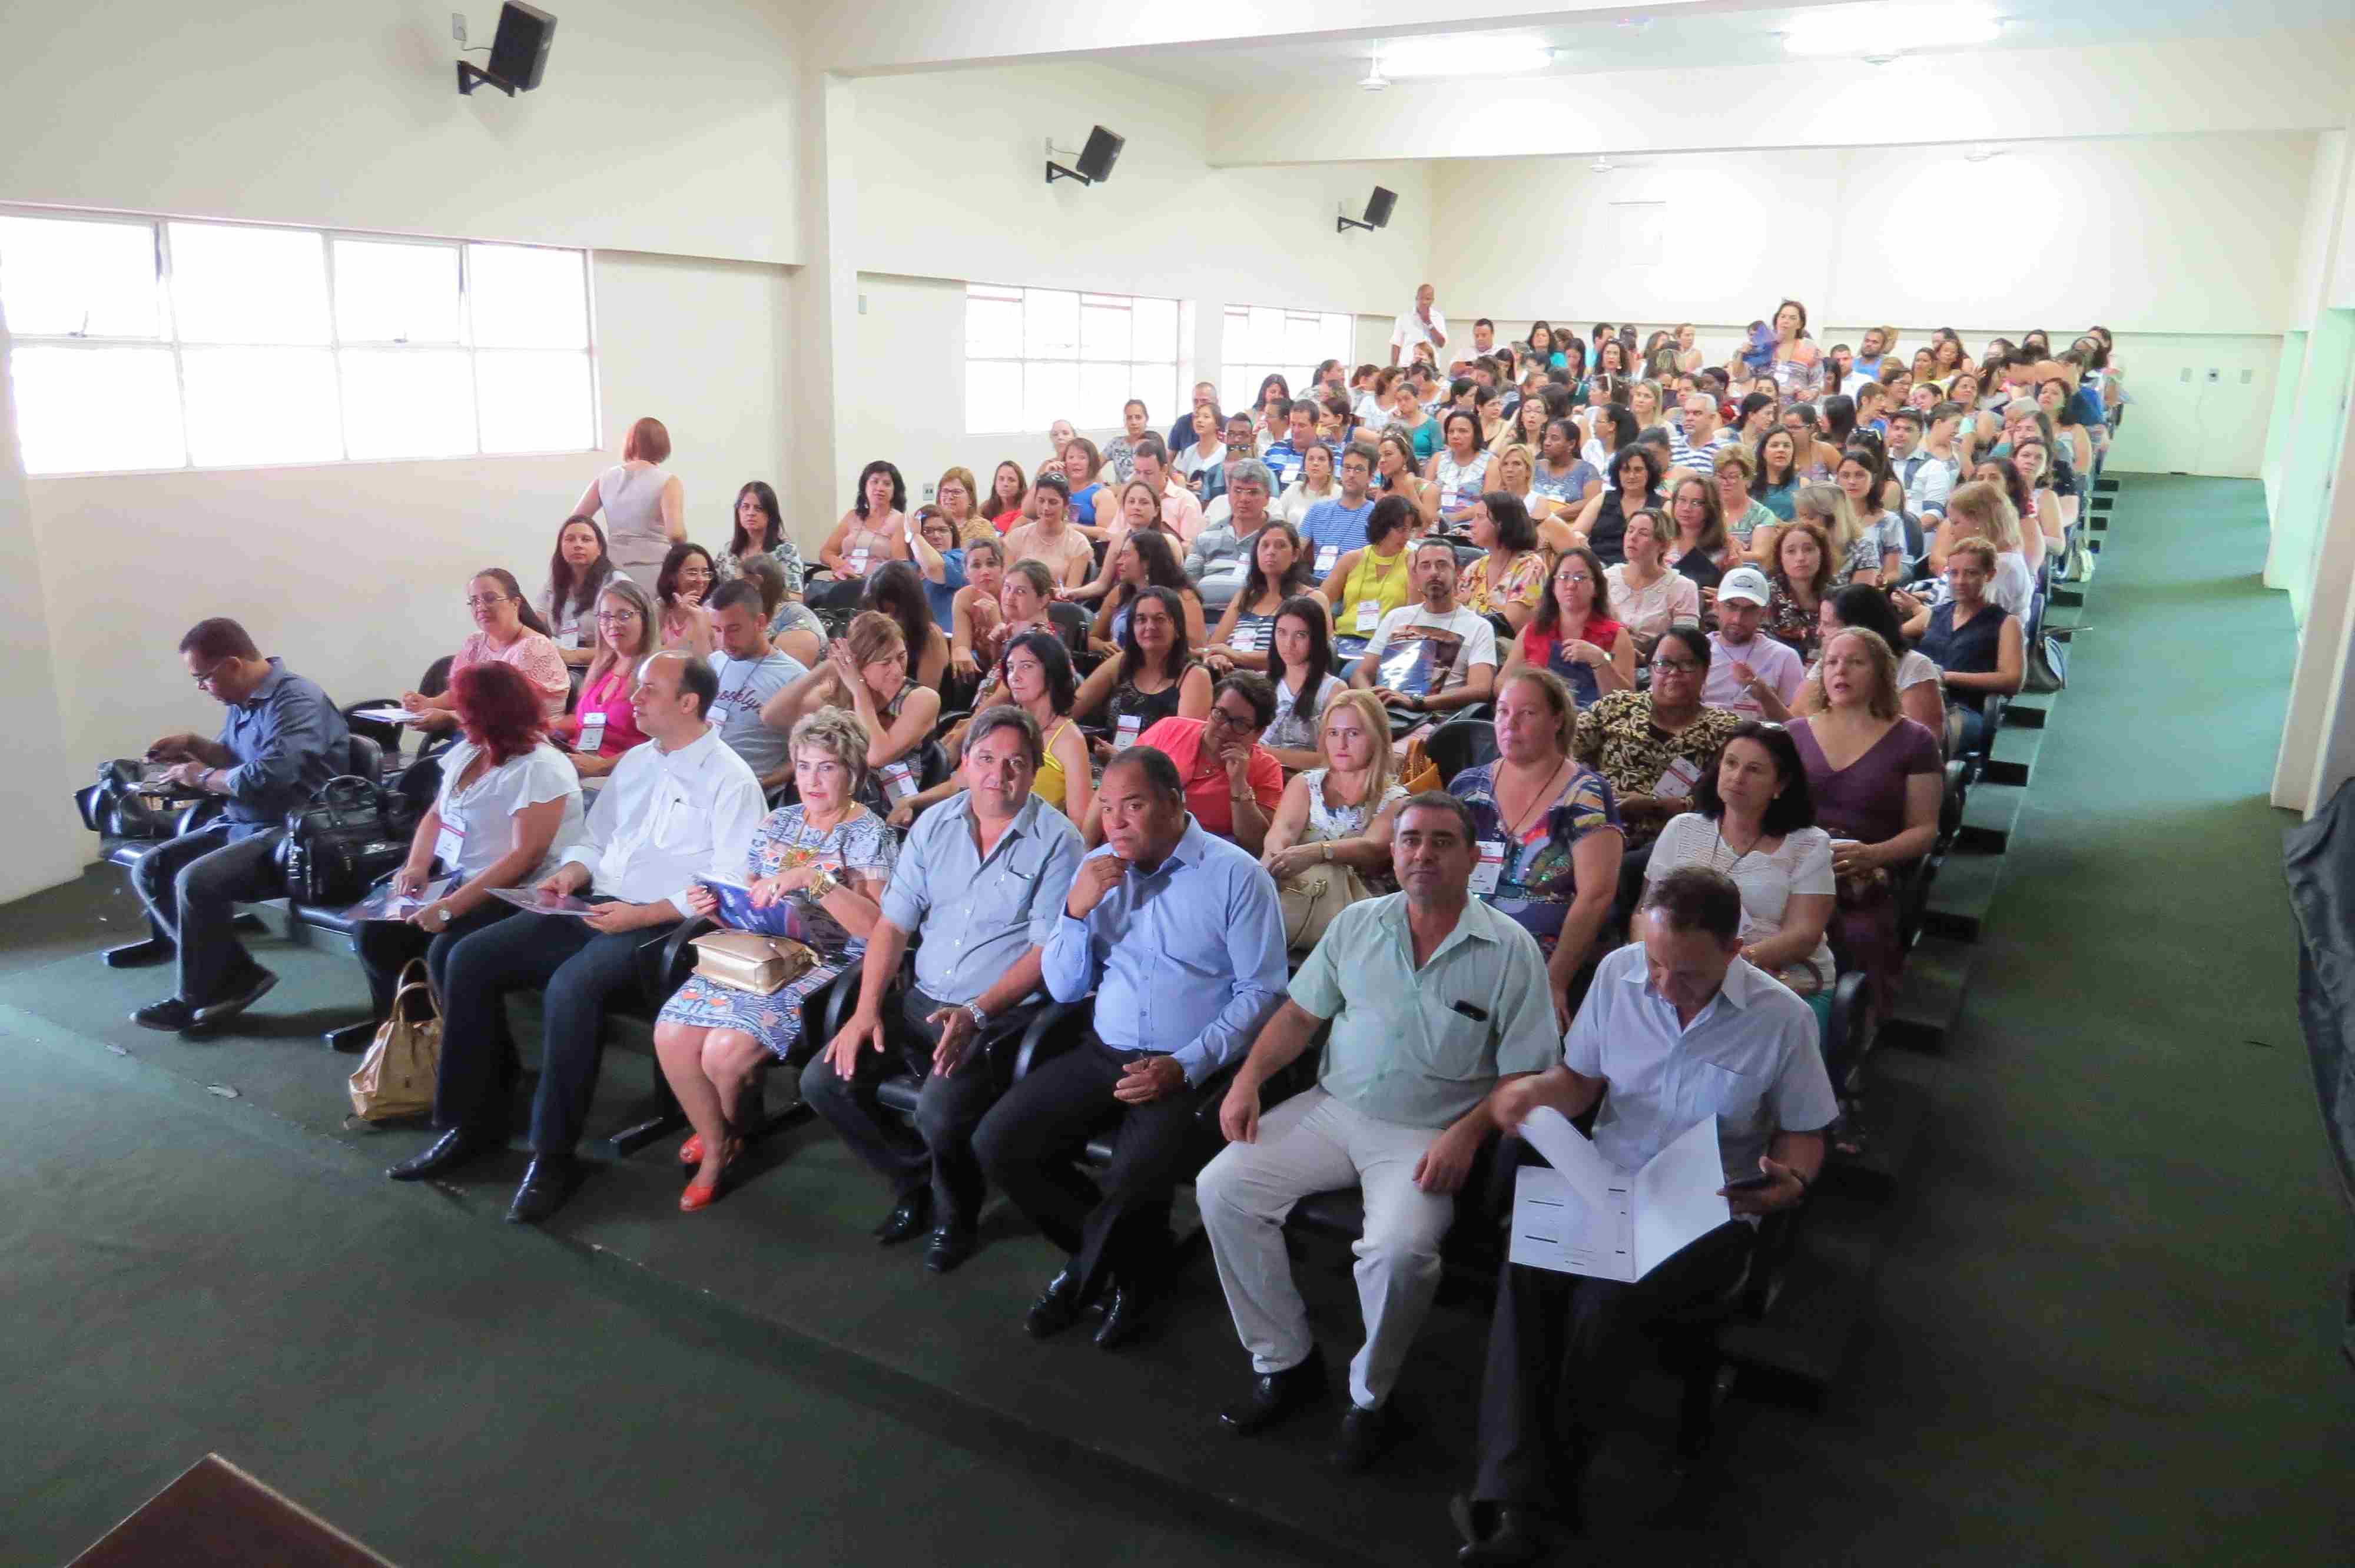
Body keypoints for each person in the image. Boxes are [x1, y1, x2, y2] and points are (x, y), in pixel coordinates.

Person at [1454, 867, 1835, 1564]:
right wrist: (1533, 1093)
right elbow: (1579, 1082)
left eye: (1685, 974)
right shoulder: (1620, 974)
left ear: (1734, 949)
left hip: (1710, 1208)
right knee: (1527, 1267)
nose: (1662, 985)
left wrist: (1791, 1182)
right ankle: (1516, 1491)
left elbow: (1804, 1132)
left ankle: (1525, 1509)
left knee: (1604, 1299)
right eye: (1655, 962)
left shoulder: (1782, 1019)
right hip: (1607, 1181)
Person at [1200, 791, 1556, 1467]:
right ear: (1392, 852)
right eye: (1410, 840)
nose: (1423, 854)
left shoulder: (1511, 951)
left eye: (1442, 842)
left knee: (1398, 1253)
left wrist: (1468, 1133)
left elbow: (1526, 1075)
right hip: (1332, 1108)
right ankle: (1284, 1359)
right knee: (1221, 1190)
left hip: (1429, 1132)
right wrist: (1246, 1081)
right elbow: (1298, 1018)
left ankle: (1370, 1397)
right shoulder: (1359, 923)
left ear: (1473, 857)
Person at [389, 651, 765, 1225]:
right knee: (466, 956)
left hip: (664, 924)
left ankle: (553, 1155)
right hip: (594, 902)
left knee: (572, 988)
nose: (634, 698)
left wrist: (639, 916)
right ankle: (474, 1122)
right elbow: (594, 840)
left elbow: (727, 887)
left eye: (649, 690)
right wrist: (569, 873)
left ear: (689, 703)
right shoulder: (637, 761)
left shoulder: (731, 779)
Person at [974, 746, 1288, 1348]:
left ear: (1173, 803)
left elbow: (1262, 993)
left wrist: (1185, 1065)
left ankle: (1085, 1278)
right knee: (999, 1142)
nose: (1115, 821)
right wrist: (1074, 913)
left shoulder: (1236, 876)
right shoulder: (1096, 868)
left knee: (1133, 1176)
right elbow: (1065, 988)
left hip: (1186, 1066)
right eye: (1108, 806)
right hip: (1104, 1050)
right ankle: (1129, 1264)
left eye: (1133, 805)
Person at [807, 706, 1088, 1268]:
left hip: (997, 1015)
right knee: (824, 1081)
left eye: (1016, 763)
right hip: (922, 1000)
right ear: (965, 763)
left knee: (938, 1112)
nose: (998, 775)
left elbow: (1044, 955)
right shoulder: (935, 825)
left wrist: (978, 1012)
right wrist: (866, 1011)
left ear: (1035, 770)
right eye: (986, 759)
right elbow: (893, 925)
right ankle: (916, 1181)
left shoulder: (1060, 843)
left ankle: (955, 1214)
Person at [654, 708, 897, 1211]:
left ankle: (719, 1150)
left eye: (828, 767)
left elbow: (878, 928)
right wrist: (715, 908)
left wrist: (815, 880)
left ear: (853, 772)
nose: (813, 780)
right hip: (760, 950)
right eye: (804, 766)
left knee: (723, 1052)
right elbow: (752, 902)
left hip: (828, 962)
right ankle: (719, 1134)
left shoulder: (870, 833)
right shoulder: (777, 821)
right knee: (671, 1033)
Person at [130, 619, 350, 1032]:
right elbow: (235, 760)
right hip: (247, 821)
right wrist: (194, 744)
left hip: (298, 833)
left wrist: (200, 777)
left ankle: (197, 995)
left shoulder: (298, 700)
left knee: (195, 881)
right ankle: (235, 976)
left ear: (233, 665)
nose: (202, 688)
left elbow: (270, 775)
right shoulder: (243, 701)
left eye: (204, 678)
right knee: (153, 868)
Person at [358, 662, 584, 1028]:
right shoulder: (469, 750)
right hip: (455, 875)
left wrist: (451, 907)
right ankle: (410, 1029)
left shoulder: (541, 767)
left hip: (510, 891)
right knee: (374, 931)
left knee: (449, 950)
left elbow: (526, 857)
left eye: (462, 707)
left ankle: (470, 1047)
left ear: (489, 712)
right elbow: (437, 814)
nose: (455, 714)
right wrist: (416, 865)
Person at [1447, 669, 1623, 1021]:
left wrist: (1555, 981)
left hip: (1541, 953)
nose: (1510, 724)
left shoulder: (1585, 794)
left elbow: (1597, 895)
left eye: (1527, 713)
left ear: (1557, 721)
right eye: (1503, 711)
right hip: (1465, 939)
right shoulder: (1467, 787)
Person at [1789, 628, 1941, 1013]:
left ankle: (1848, 1025)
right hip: (1792, 862)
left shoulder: (1916, 740)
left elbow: (1925, 830)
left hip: (1864, 870)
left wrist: (1873, 855)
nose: (1841, 671)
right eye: (1832, 662)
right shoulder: (1793, 734)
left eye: (1855, 662)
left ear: (1880, 674)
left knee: (1856, 933)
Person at [1644, 721, 1836, 1026]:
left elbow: (1804, 936)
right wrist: (1653, 963)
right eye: (1731, 763)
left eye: (1754, 770)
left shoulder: (1809, 844)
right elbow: (1645, 913)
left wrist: (1720, 967)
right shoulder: (1682, 829)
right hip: (1680, 971)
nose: (1737, 777)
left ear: (1781, 784)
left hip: (1784, 978)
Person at [1571, 624, 1742, 855]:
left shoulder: (1725, 729)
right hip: (1598, 829)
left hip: (1679, 845)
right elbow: (1565, 754)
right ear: (1651, 669)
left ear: (1705, 671)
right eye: (1664, 664)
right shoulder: (1616, 707)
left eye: (1687, 664)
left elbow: (1731, 799)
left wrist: (1658, 805)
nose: (1674, 673)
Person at [1258, 687, 1406, 947]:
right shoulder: (1305, 784)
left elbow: (1372, 848)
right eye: (1333, 733)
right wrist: (1274, 859)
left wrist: (1317, 852)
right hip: (1298, 896)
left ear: (1377, 738)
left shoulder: (1397, 800)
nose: (1341, 744)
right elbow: (1281, 833)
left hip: (1360, 913)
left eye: (1353, 733)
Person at [762, 612, 940, 815]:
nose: (898, 670)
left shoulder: (922, 699)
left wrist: (859, 691)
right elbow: (772, 717)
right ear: (858, 665)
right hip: (838, 794)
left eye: (901, 657)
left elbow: (877, 756)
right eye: (885, 663)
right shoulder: (840, 694)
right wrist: (828, 667)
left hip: (894, 804)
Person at [1104, 674, 1286, 854]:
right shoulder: (1169, 729)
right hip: (1130, 843)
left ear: (1259, 732)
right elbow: (1114, 787)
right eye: (1220, 714)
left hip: (1203, 857)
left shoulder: (1266, 768)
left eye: (1240, 723)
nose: (1225, 727)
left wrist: (1239, 783)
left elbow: (1255, 845)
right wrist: (1089, 845)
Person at [1351, 539, 1500, 729]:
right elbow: (1361, 674)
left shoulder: (1479, 626)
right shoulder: (1396, 617)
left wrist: (1417, 702)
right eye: (1425, 566)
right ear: (1416, 573)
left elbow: (1481, 689)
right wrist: (1373, 702)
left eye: (1442, 565)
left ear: (1458, 572)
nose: (1434, 573)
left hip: (1436, 720)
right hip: (1385, 714)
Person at [1766, 582, 1945, 737]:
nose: (1819, 632)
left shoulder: (1914, 666)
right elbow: (1796, 721)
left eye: (1827, 625)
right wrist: (1762, 692)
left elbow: (1925, 741)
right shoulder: (1828, 663)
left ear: (1859, 628)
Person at [1900, 539, 2024, 753]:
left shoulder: (2006, 623)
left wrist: (1946, 676)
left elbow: (2013, 681)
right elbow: (1891, 639)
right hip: (1915, 699)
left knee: (1922, 737)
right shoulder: (1935, 614)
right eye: (1954, 573)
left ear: (1990, 575)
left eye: (1971, 573)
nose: (1960, 581)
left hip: (1963, 708)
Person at [1072, 584, 1212, 743]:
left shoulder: (1195, 676)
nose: (1150, 627)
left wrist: (1121, 756)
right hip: (1109, 756)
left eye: (1159, 619)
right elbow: (1071, 710)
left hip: (1162, 759)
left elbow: (1184, 744)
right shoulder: (1120, 662)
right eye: (1141, 620)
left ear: (1177, 628)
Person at [704, 580, 807, 791]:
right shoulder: (715, 662)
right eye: (717, 630)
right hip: (701, 782)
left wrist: (761, 785)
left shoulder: (794, 678)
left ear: (760, 623)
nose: (724, 641)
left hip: (750, 792)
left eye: (734, 629)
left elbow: (810, 750)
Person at [552, 577, 655, 779]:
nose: (613, 624)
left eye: (624, 616)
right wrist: (546, 727)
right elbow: (582, 722)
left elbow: (661, 744)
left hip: (618, 775)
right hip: (579, 763)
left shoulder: (655, 673)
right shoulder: (602, 667)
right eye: (605, 616)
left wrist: (602, 767)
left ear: (645, 619)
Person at [571, 416, 684, 593]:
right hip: (655, 568)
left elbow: (576, 521)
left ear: (630, 443)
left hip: (613, 568)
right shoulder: (668, 481)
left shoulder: (605, 478)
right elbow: (675, 533)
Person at [1206, 519, 1319, 675]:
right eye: (1265, 545)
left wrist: (1238, 656)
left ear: (1295, 555)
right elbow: (1215, 646)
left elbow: (1307, 655)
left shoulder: (1311, 598)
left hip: (1278, 679)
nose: (1271, 552)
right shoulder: (1245, 596)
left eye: (1280, 546)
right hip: (1231, 677)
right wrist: (1219, 658)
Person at [1254, 596, 1349, 770]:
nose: (1288, 644)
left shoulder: (1334, 691)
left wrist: (1261, 753)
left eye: (1300, 635)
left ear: (1316, 639)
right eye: (1281, 632)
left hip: (1304, 780)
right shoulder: (1259, 682)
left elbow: (1327, 759)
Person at [1703, 566, 1806, 720]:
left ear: (1764, 614)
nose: (1738, 619)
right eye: (1731, 606)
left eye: (1750, 610)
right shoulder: (1695, 650)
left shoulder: (1784, 657)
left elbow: (1796, 727)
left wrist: (1765, 696)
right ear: (1716, 606)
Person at [1921, 479, 2036, 615]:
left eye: (1956, 523)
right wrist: (1927, 597)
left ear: (1978, 520)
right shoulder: (1994, 558)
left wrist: (1919, 610)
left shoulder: (2000, 569)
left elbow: (1969, 622)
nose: (1951, 531)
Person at [1323, 495, 1418, 658]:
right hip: (1343, 640)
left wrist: (1413, 574)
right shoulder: (1352, 559)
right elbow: (1321, 600)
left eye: (1410, 530)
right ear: (1383, 527)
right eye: (1402, 530)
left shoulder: (1412, 561)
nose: (1407, 537)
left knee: (1351, 670)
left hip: (1386, 646)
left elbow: (1416, 612)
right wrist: (1329, 635)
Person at [1604, 510, 1701, 660]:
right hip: (1604, 659)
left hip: (1657, 666)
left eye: (1643, 533)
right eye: (1630, 530)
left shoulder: (1683, 587)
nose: (1632, 537)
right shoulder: (1606, 578)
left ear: (1663, 546)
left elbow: (1686, 643)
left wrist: (1646, 658)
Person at [814, 461, 910, 611]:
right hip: (842, 583)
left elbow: (898, 567)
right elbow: (826, 552)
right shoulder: (852, 516)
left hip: (876, 589)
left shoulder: (900, 521)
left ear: (895, 491)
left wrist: (866, 579)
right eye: (874, 482)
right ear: (865, 487)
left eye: (886, 484)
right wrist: (838, 563)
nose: (879, 488)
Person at [1091, 530, 1207, 652]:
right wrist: (1102, 646)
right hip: (1117, 662)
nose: (1118, 561)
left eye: (1126, 555)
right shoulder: (1120, 592)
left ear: (1147, 561)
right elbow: (1093, 638)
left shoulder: (1184, 597)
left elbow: (1197, 647)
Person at [1459, 492, 1548, 636]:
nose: (1472, 524)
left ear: (1502, 524)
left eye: (1480, 517)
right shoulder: (1474, 568)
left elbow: (1512, 624)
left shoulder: (1532, 567)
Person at [862, 560, 954, 693]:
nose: (887, 620)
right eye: (881, 613)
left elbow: (924, 698)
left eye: (894, 613)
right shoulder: (874, 631)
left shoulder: (930, 637)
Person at [536, 515, 615, 666]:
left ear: (599, 548)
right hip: (562, 662)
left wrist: (574, 656)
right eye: (570, 539)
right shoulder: (554, 582)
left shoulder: (615, 584)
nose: (578, 545)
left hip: (601, 666)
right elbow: (538, 628)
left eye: (586, 539)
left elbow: (625, 646)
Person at [1568, 445, 1664, 567]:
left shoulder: (1662, 505)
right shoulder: (1603, 498)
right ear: (1617, 473)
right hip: (1597, 567)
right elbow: (1576, 532)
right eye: (1626, 470)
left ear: (1649, 473)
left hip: (1640, 569)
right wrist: (1581, 540)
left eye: (1638, 470)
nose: (1632, 476)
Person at [1003, 474, 1096, 591]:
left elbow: (1072, 591)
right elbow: (1006, 583)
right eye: (1041, 501)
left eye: (1053, 502)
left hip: (1056, 602)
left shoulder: (1079, 544)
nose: (1046, 508)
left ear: (1066, 505)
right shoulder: (1016, 537)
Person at [1299, 443, 1379, 576]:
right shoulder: (1318, 510)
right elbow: (1296, 551)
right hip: (1317, 582)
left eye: (1359, 469)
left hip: (1356, 583)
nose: (1351, 474)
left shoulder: (1377, 516)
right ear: (1341, 472)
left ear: (1371, 477)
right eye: (1347, 468)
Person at [1764, 516, 1836, 660]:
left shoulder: (1837, 597)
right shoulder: (1765, 597)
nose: (1801, 558)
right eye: (1791, 551)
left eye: (1808, 550)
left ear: (1822, 554)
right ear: (1780, 557)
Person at [717, 480, 804, 596]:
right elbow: (714, 589)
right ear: (738, 512)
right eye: (745, 507)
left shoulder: (786, 551)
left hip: (771, 607)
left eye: (758, 509)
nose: (750, 513)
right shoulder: (728, 550)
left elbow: (796, 597)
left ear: (770, 514)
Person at [740, 554, 825, 669]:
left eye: (738, 584)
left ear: (756, 583)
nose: (733, 590)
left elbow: (786, 675)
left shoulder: (796, 620)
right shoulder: (755, 613)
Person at [1661, 474, 1734, 597]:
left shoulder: (1726, 549)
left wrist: (1724, 597)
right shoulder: (1660, 541)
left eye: (1696, 503)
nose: (1687, 508)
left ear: (1711, 508)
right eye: (1682, 500)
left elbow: (1735, 595)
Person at [904, 506, 970, 633]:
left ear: (953, 534)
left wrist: (914, 535)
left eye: (943, 530)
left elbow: (933, 568)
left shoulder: (961, 560)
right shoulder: (909, 568)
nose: (936, 536)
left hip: (947, 640)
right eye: (928, 531)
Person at [1710, 445, 1778, 562]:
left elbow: (1760, 556)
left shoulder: (1762, 515)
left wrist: (1724, 553)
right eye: (1720, 476)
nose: (1725, 482)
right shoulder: (1706, 510)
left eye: (1733, 477)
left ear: (1748, 479)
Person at [651, 543, 717, 659]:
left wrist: (699, 621)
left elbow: (710, 664)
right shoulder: (656, 611)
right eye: (692, 573)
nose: (700, 580)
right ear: (672, 576)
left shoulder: (712, 614)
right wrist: (681, 613)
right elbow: (651, 657)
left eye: (705, 573)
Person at [1431, 411, 1492, 531]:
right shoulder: (1437, 458)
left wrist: (1453, 518)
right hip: (1435, 525)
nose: (1455, 436)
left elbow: (1489, 504)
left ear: (1476, 434)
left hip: (1471, 527)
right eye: (1451, 431)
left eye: (1463, 431)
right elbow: (1425, 495)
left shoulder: (1491, 462)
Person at [1372, 431, 1440, 531]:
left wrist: (1410, 489)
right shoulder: (1383, 493)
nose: (1382, 460)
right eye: (1379, 457)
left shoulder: (1429, 489)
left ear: (1405, 457)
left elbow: (1425, 525)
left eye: (1388, 454)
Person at [1276, 438, 1338, 529]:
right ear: (1304, 465)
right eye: (1311, 459)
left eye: (1321, 459)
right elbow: (1278, 520)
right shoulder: (1294, 489)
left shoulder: (1339, 494)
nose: (1315, 463)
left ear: (1330, 467)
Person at [934, 466, 996, 547]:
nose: (950, 497)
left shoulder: (982, 527)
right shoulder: (931, 525)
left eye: (956, 492)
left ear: (971, 498)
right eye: (945, 491)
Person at [1388, 283, 1448, 367]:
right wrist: (1394, 369)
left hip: (1430, 367)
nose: (1424, 302)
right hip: (1407, 366)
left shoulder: (1438, 318)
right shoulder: (1404, 318)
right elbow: (1396, 344)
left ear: (1432, 301)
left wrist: (1429, 323)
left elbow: (1441, 343)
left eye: (1428, 299)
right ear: (1416, 298)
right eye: (1421, 298)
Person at [1102, 401, 1150, 485]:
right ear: (1125, 421)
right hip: (1119, 492)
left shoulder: (1154, 444)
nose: (1134, 422)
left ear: (1146, 419)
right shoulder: (1115, 443)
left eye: (1138, 417)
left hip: (1146, 491)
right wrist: (1102, 484)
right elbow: (1093, 468)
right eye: (1129, 418)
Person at [985, 459, 1030, 531]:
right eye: (1001, 479)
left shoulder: (1026, 513)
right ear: (995, 483)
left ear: (1020, 485)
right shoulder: (985, 508)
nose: (1005, 484)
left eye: (1011, 480)